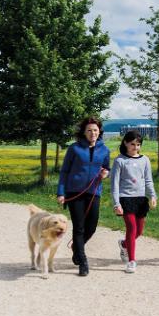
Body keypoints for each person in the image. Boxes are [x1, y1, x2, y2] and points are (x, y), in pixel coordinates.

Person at [56, 117, 110, 277]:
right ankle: (83, 261)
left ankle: (76, 248)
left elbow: (107, 168)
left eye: (95, 130)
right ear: (84, 132)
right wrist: (61, 192)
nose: (92, 133)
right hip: (74, 192)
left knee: (91, 227)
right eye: (89, 130)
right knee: (79, 227)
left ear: (99, 131)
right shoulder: (74, 148)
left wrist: (105, 174)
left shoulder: (105, 150)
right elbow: (64, 171)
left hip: (94, 191)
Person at [111, 131, 157, 274]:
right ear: (125, 143)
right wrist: (116, 203)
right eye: (132, 144)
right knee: (131, 228)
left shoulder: (145, 160)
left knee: (139, 231)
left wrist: (153, 196)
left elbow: (148, 180)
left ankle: (124, 244)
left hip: (141, 199)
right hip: (126, 199)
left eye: (138, 145)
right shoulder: (120, 161)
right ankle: (131, 261)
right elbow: (115, 184)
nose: (135, 147)